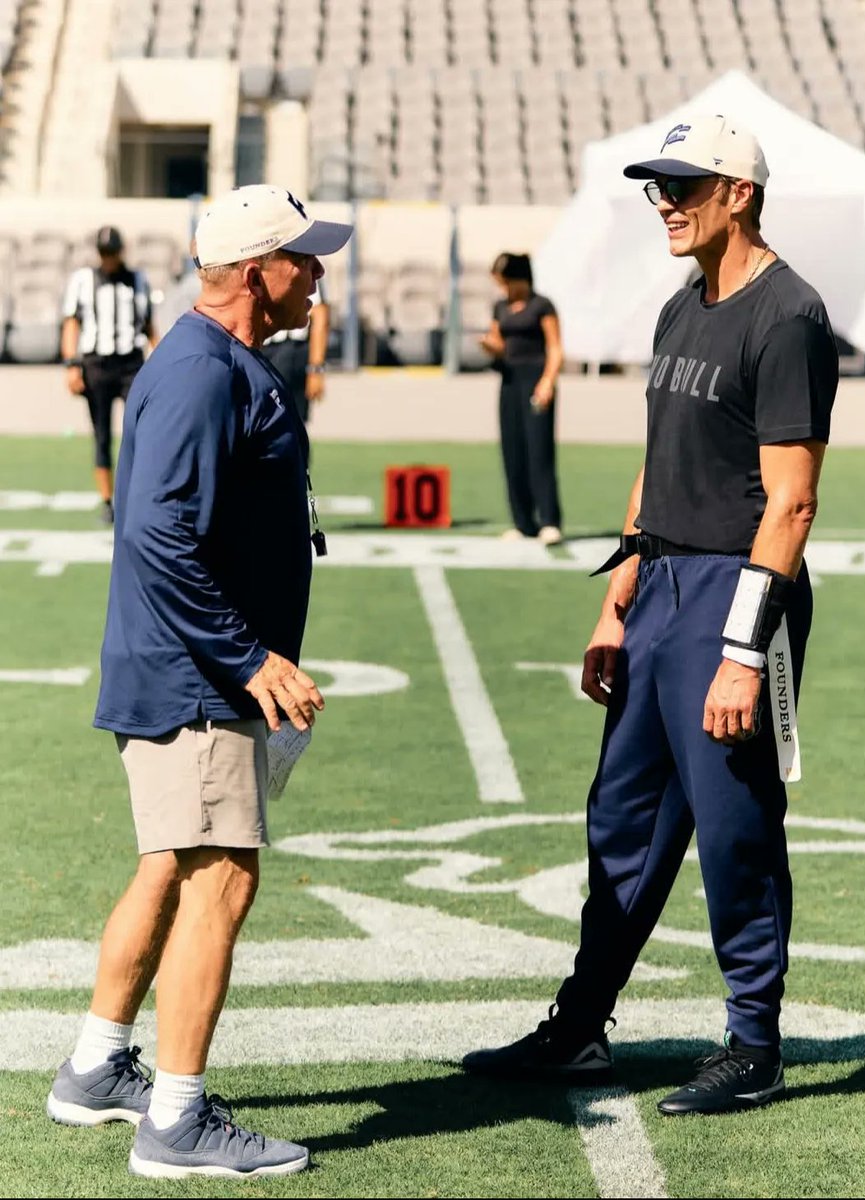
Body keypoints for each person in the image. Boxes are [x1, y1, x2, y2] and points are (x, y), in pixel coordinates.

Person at [463, 115, 838, 1116]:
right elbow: (653, 468)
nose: (664, 202)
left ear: (739, 194)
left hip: (733, 594)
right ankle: (579, 1027)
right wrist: (614, 603)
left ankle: (751, 1044)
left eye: (683, 183)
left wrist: (738, 654)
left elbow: (791, 503)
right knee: (618, 823)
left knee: (733, 828)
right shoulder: (682, 307)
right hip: (661, 589)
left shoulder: (786, 314)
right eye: (656, 186)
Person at [46, 185, 353, 1178]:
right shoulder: (198, 368)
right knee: (223, 872)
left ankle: (96, 1069)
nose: (315, 273)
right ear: (259, 268)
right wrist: (250, 656)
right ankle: (174, 1121)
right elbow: (156, 535)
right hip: (193, 673)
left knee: (169, 864)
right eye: (302, 258)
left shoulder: (219, 360)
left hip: (185, 662)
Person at [60, 226, 158, 525]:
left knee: (140, 432)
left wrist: (163, 358)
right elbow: (72, 323)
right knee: (101, 436)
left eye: (112, 253)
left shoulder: (138, 280)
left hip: (131, 363)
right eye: (104, 253)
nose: (109, 259)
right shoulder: (83, 280)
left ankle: (138, 496)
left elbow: (148, 325)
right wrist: (71, 364)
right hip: (97, 365)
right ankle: (107, 501)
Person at [480, 251, 563, 545]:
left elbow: (554, 346)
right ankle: (523, 521)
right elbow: (499, 342)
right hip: (510, 382)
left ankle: (550, 521)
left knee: (538, 452)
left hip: (535, 379)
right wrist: (490, 346)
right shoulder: (500, 307)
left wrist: (548, 381)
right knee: (512, 451)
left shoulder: (542, 305)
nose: (502, 288)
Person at [260, 276, 330, 434]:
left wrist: (316, 369)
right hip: (263, 349)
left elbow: (320, 316)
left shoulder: (301, 262)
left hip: (288, 348)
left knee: (286, 427)